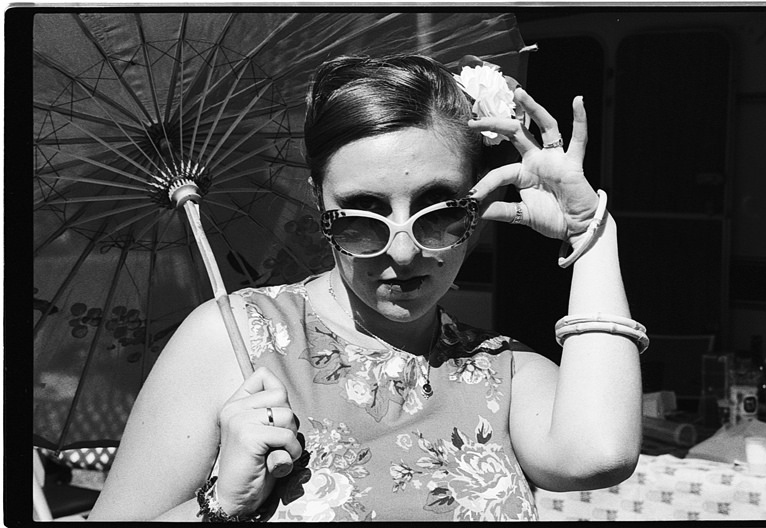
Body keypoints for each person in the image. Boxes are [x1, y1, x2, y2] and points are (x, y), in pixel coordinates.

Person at [89, 54, 643, 522]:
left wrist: (590, 229)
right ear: (317, 201)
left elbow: (599, 454)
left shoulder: (504, 370)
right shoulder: (233, 340)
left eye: (438, 212)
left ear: (476, 209)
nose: (402, 252)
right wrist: (222, 503)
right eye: (359, 217)